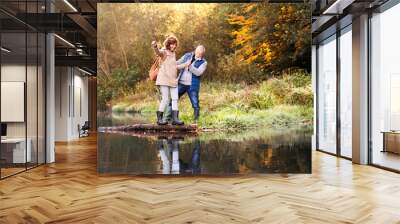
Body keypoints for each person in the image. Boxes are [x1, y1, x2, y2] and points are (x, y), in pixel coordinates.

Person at [151, 35, 189, 125]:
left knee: (175, 99)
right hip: (164, 79)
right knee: (165, 99)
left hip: (173, 80)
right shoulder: (164, 52)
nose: (174, 46)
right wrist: (155, 47)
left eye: (175, 44)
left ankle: (175, 119)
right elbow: (158, 52)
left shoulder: (173, 54)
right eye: (172, 44)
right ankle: (159, 119)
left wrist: (185, 64)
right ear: (168, 44)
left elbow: (175, 66)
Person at [165, 45, 207, 122]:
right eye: (197, 52)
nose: (198, 54)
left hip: (192, 85)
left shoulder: (204, 62)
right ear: (195, 50)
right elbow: (178, 62)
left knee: (195, 103)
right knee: (173, 100)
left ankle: (196, 120)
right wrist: (170, 63)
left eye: (200, 54)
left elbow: (198, 73)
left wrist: (190, 66)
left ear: (203, 54)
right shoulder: (188, 55)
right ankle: (169, 119)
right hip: (181, 83)